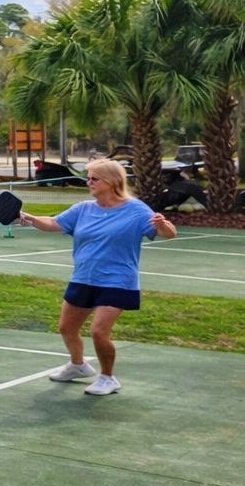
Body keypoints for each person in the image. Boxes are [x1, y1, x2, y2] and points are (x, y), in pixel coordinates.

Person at [20, 158, 175, 396]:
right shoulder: (83, 209)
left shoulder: (136, 209)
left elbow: (168, 233)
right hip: (83, 277)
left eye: (94, 178)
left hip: (118, 280)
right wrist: (29, 217)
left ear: (112, 181)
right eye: (88, 178)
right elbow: (53, 223)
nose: (89, 182)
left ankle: (108, 377)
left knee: (98, 331)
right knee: (66, 328)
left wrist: (162, 224)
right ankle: (78, 366)